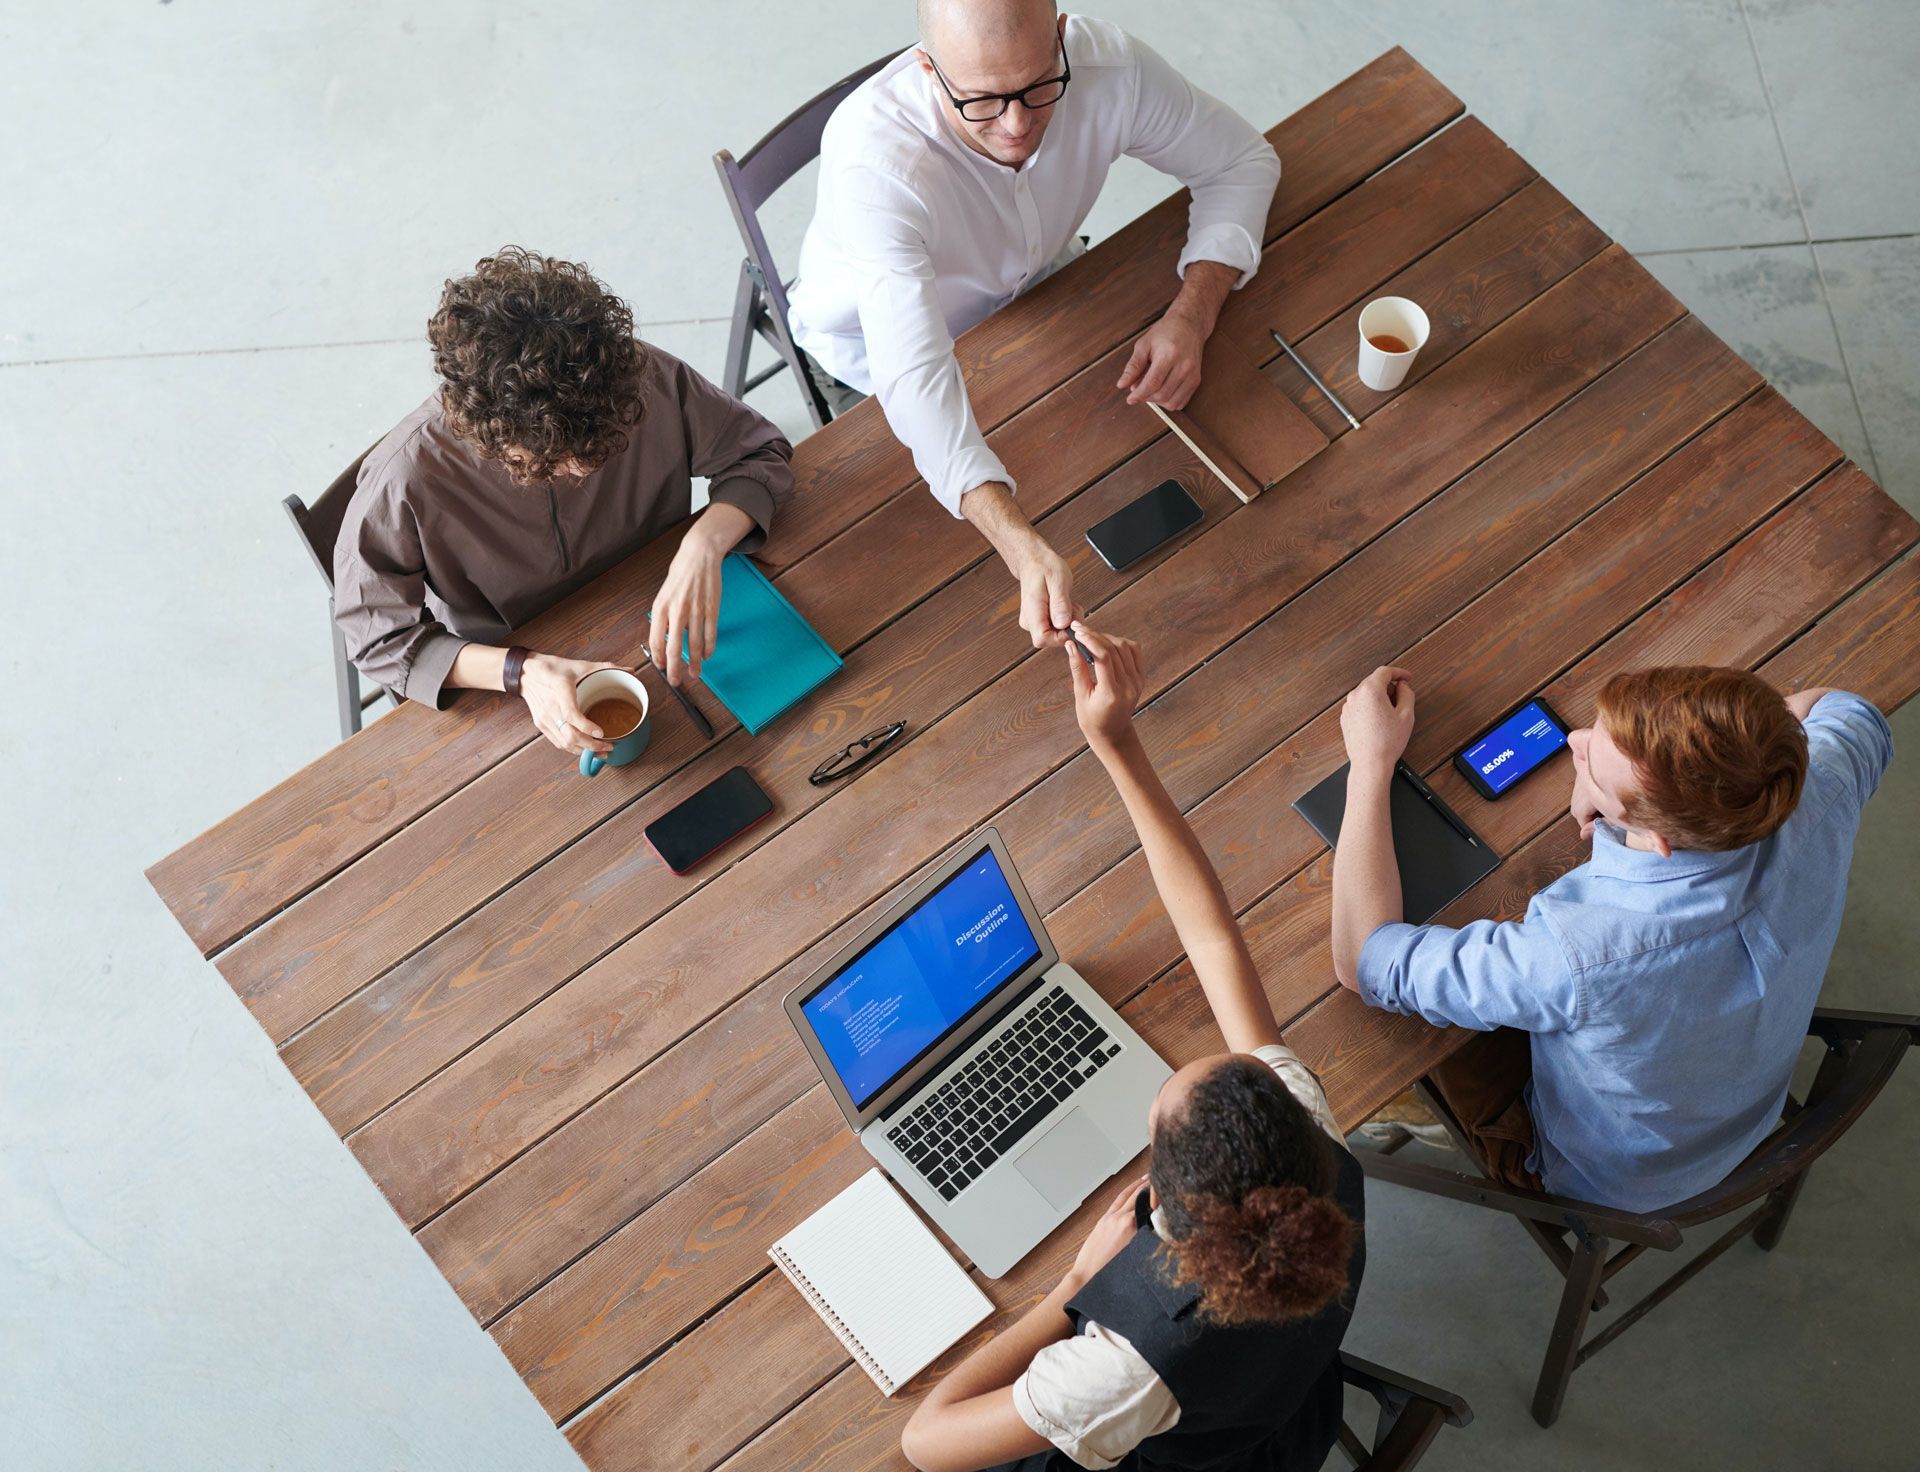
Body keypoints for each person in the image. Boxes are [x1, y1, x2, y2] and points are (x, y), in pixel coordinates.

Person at [900, 627, 1363, 1472]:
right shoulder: (1322, 1163)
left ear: (1164, 1213)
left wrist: (1073, 1286)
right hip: (1287, 1412)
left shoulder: (1126, 1363)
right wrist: (1117, 744)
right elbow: (1217, 942)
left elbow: (924, 1442)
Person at [789, 0, 1281, 655]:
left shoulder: (1108, 65)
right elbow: (915, 374)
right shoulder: (875, 165)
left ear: (1061, 35)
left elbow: (1243, 161)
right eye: (984, 101)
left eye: (1038, 86)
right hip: (869, 352)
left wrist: (1192, 314)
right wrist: (1018, 543)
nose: (1018, 125)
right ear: (929, 71)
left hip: (1042, 289)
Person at [1330, 664, 1894, 1212]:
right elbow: (1846, 708)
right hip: (1746, 1109)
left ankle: (1412, 1111)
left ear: (1657, 837)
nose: (1574, 739)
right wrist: (1636, 799)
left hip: (1607, 1182)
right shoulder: (1819, 790)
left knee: (1392, 1037)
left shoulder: (1575, 954)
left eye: (1591, 765)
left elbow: (1362, 958)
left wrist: (1371, 764)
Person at [333, 247, 794, 758]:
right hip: (515, 694)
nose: (583, 469)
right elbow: (376, 637)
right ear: (486, 430)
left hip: (672, 624)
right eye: (554, 455)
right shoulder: (404, 478)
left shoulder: (636, 377)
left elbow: (758, 451)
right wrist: (520, 672)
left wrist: (705, 543)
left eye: (601, 440)